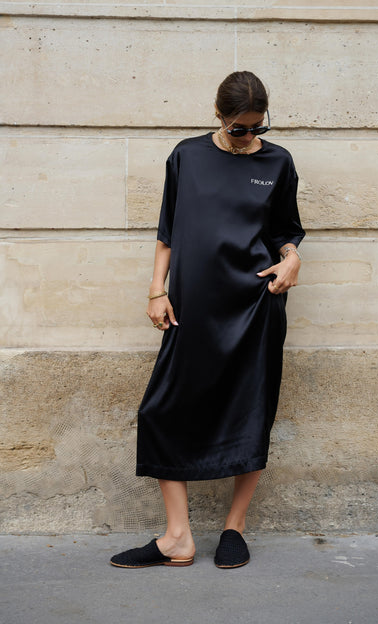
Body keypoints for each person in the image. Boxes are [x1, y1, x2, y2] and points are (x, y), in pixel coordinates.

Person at [111, 71, 305, 570]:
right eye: (239, 128)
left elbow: (285, 230)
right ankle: (177, 537)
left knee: (251, 410)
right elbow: (168, 231)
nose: (248, 137)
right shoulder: (187, 156)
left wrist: (291, 258)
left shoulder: (277, 161)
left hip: (256, 304)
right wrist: (157, 290)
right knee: (161, 410)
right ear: (218, 116)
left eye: (257, 127)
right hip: (192, 308)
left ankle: (233, 527)